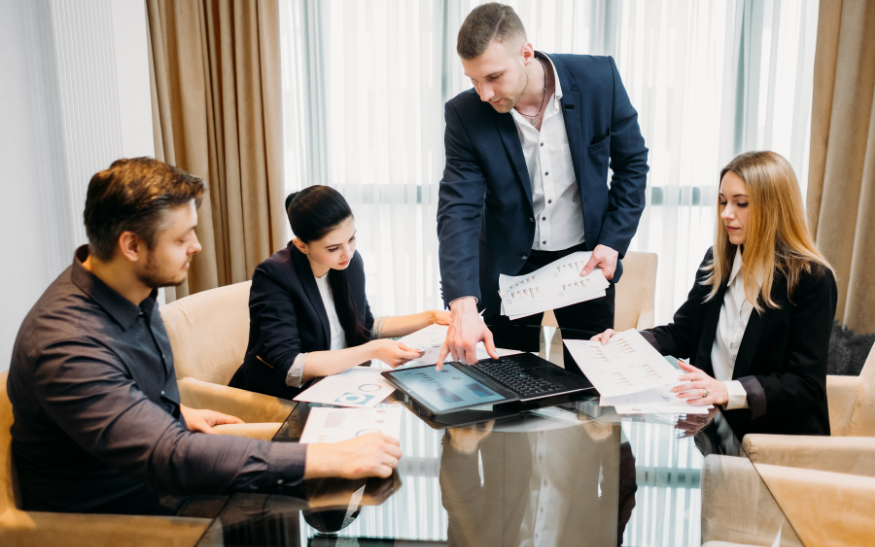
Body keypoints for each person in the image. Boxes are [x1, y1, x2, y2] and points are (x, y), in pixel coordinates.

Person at [6, 158, 402, 515]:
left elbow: (120, 396)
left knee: (333, 494)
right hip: (119, 510)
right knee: (320, 488)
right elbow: (172, 458)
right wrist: (325, 457)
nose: (196, 246)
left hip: (158, 473)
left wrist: (172, 412)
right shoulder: (67, 344)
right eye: (182, 238)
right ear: (131, 245)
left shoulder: (128, 292)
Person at [436, 3, 649, 368]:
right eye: (473, 80)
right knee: (504, 385)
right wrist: (463, 303)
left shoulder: (600, 79)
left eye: (493, 77)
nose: (484, 94)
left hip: (585, 262)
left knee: (591, 382)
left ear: (525, 53)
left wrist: (613, 242)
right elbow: (459, 209)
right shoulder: (465, 114)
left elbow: (632, 164)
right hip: (507, 266)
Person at [593, 151, 837, 437]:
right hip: (712, 425)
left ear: (774, 208)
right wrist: (627, 341)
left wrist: (726, 391)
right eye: (723, 201)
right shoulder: (717, 261)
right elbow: (683, 333)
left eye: (740, 203)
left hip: (777, 441)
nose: (725, 214)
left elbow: (805, 385)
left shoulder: (811, 279)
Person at [229, 185, 450, 400]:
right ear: (302, 245)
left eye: (351, 239)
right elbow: (290, 367)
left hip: (341, 385)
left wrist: (430, 318)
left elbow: (365, 325)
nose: (348, 253)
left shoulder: (348, 264)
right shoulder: (274, 275)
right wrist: (372, 350)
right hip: (282, 397)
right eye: (333, 248)